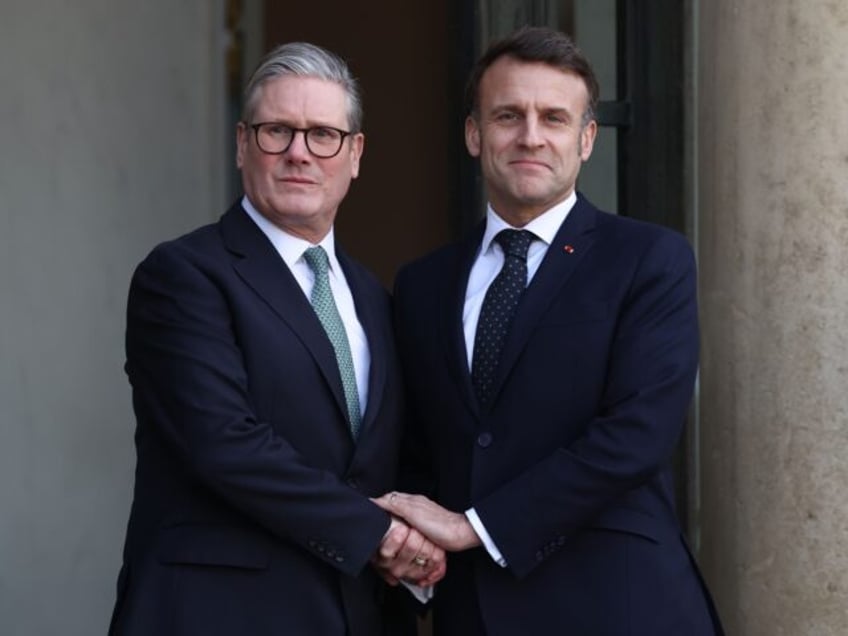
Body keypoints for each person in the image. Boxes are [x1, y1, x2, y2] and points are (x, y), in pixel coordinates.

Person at [376, 26, 724, 635]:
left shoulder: (648, 260)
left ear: (587, 139)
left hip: (620, 606)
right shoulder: (421, 284)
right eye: (508, 115)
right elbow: (417, 449)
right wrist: (407, 547)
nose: (530, 136)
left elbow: (637, 435)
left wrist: (476, 527)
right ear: (473, 134)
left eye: (554, 118)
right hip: (475, 613)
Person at [108, 41, 444, 636]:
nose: (299, 153)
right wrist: (381, 536)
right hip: (219, 613)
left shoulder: (374, 297)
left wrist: (428, 539)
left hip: (357, 614)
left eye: (323, 135)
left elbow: (386, 460)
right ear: (242, 144)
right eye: (276, 131)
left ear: (356, 153)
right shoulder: (184, 276)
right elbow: (224, 443)